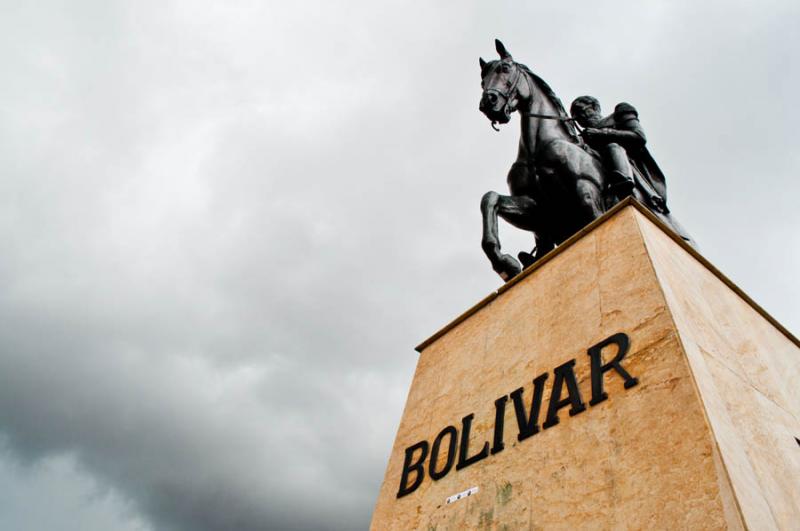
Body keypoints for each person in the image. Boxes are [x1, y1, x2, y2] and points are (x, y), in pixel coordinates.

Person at [570, 96, 668, 213]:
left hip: (631, 163)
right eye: (577, 117)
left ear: (595, 107)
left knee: (613, 147)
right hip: (601, 170)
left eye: (583, 111)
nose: (582, 118)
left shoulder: (620, 113)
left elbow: (639, 136)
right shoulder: (582, 138)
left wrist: (602, 133)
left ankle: (625, 185)